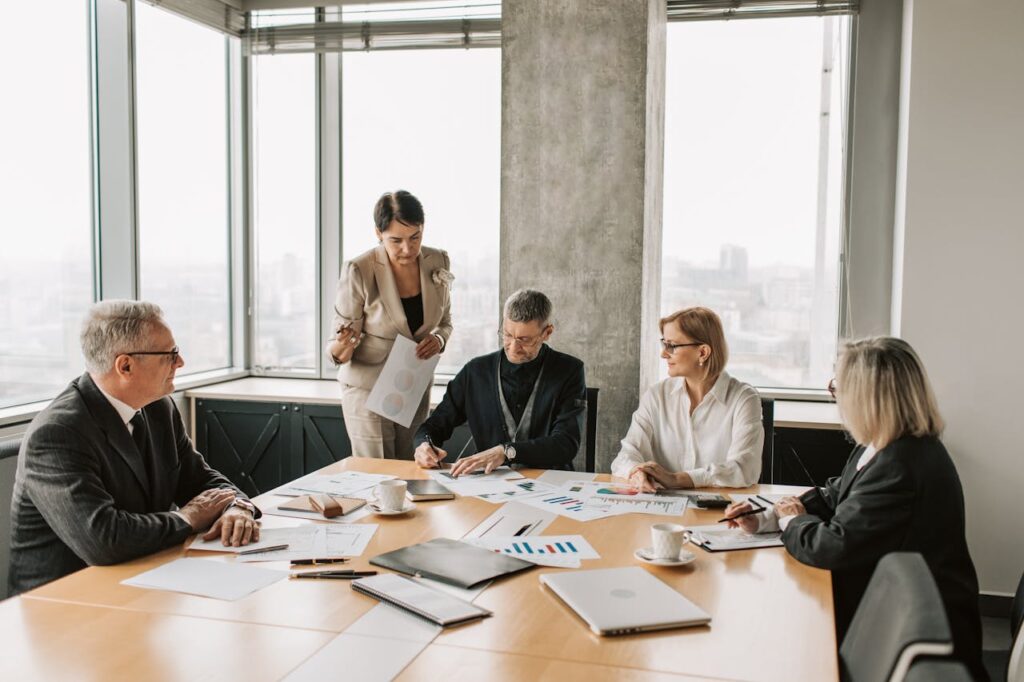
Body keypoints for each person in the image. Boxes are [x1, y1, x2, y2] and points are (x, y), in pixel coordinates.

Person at [723, 337, 986, 679]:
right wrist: (766, 516)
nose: (837, 399)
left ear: (868, 399)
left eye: (839, 388)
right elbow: (835, 496)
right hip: (884, 606)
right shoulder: (885, 446)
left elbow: (833, 546)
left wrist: (792, 522)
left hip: (912, 635)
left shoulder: (902, 465)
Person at [9, 301, 260, 596]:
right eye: (171, 354)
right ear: (125, 365)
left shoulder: (158, 408)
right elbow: (102, 539)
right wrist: (188, 518)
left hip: (143, 577)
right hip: (64, 603)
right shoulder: (57, 433)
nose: (180, 363)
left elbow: (201, 480)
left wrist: (236, 508)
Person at [326, 190, 453, 459]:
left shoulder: (438, 260)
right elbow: (335, 351)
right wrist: (345, 344)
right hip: (368, 390)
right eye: (395, 240)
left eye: (415, 237)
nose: (407, 249)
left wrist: (439, 339)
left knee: (413, 471)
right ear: (378, 233)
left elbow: (445, 322)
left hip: (413, 384)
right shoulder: (359, 269)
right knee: (378, 477)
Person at [412, 289, 585, 475]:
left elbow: (566, 444)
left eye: (524, 340)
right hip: (489, 485)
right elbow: (434, 425)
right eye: (508, 335)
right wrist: (423, 445)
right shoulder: (475, 372)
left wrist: (506, 451)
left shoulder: (569, 371)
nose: (513, 348)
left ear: (547, 332)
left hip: (551, 482)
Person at [610, 306, 763, 491]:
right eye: (664, 344)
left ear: (703, 353)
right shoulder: (656, 395)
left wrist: (677, 479)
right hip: (660, 509)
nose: (663, 354)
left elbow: (744, 469)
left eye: (672, 346)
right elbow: (626, 454)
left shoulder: (744, 399)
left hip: (720, 513)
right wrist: (636, 472)